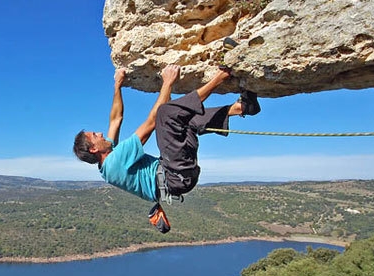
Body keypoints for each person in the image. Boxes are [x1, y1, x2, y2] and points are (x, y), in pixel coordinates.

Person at [72, 63, 260, 230]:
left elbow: (115, 119)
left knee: (182, 118)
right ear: (93, 149)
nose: (100, 133)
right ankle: (220, 76)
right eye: (94, 136)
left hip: (177, 175)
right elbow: (152, 121)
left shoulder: (107, 158)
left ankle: (242, 108)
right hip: (175, 175)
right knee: (166, 113)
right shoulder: (114, 162)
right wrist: (167, 82)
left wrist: (117, 85)